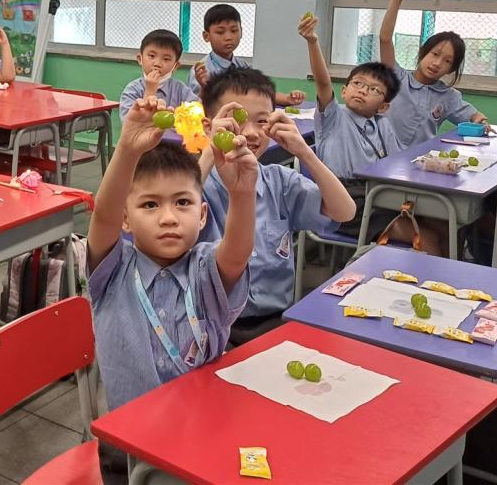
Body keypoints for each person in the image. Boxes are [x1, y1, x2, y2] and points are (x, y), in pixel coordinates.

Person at [86, 95, 257, 412]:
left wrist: (242, 193)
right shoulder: (113, 270)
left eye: (182, 203)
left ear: (202, 215)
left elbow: (237, 253)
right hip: (130, 434)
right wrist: (127, 149)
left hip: (202, 424)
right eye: (150, 204)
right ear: (126, 218)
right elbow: (104, 217)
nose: (168, 218)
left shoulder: (204, 267)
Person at [197, 69, 354, 341]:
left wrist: (304, 152)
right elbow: (180, 205)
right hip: (208, 326)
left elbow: (345, 211)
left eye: (262, 121)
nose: (250, 133)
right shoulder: (198, 184)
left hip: (276, 320)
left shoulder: (279, 181)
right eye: (236, 120)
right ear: (208, 126)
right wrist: (211, 149)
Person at [301, 13, 445, 255]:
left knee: (442, 223)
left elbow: (400, 162)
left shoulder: (382, 124)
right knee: (427, 237)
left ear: (384, 106)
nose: (362, 91)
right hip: (341, 200)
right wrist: (313, 41)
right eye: (357, 84)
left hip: (374, 195)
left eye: (374, 89)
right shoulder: (334, 117)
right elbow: (323, 83)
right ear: (344, 91)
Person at [378, 0, 490, 148]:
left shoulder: (448, 96)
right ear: (423, 52)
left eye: (447, 61)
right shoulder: (396, 77)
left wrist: (480, 121)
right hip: (382, 155)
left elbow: (474, 116)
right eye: (435, 54)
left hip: (419, 159)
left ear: (451, 69)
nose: (437, 63)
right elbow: (385, 39)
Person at [190, 3, 305, 107]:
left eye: (234, 31)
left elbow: (260, 92)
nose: (228, 37)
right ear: (206, 36)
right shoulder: (201, 70)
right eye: (220, 32)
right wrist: (205, 87)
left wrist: (287, 98)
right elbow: (195, 106)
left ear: (241, 32)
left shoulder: (243, 65)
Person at [118, 29, 198, 120]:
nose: (157, 64)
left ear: (175, 66)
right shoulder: (132, 90)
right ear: (140, 59)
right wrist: (150, 90)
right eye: (152, 56)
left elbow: (197, 114)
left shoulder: (181, 90)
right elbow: (130, 124)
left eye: (166, 59)